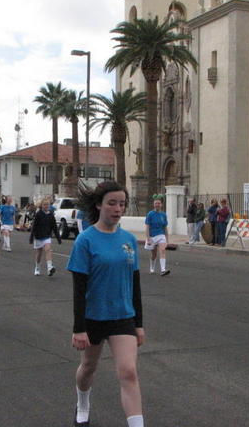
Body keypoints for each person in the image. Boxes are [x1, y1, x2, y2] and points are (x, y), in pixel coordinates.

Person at [68, 181, 145, 427]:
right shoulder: (85, 240)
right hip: (93, 317)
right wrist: (79, 328)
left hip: (123, 317)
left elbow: (135, 285)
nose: (117, 209)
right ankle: (82, 401)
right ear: (99, 204)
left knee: (128, 372)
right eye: (112, 203)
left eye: (122, 204)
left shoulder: (129, 240)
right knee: (88, 367)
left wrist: (139, 324)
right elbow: (79, 290)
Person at [29, 198, 61, 276]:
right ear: (41, 205)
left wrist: (58, 238)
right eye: (45, 204)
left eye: (48, 204)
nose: (46, 206)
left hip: (47, 236)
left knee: (48, 249)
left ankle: (49, 267)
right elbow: (34, 226)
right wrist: (31, 237)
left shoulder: (51, 215)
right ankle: (37, 267)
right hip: (38, 236)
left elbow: (54, 227)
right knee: (39, 253)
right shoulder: (38, 214)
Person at [144, 197, 170, 276]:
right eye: (156, 203)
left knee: (162, 250)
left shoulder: (163, 215)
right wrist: (148, 239)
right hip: (152, 236)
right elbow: (147, 227)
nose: (157, 205)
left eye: (159, 203)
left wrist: (167, 240)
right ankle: (152, 267)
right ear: (153, 204)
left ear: (161, 204)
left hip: (161, 235)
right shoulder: (150, 214)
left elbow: (165, 228)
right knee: (153, 254)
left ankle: (163, 270)